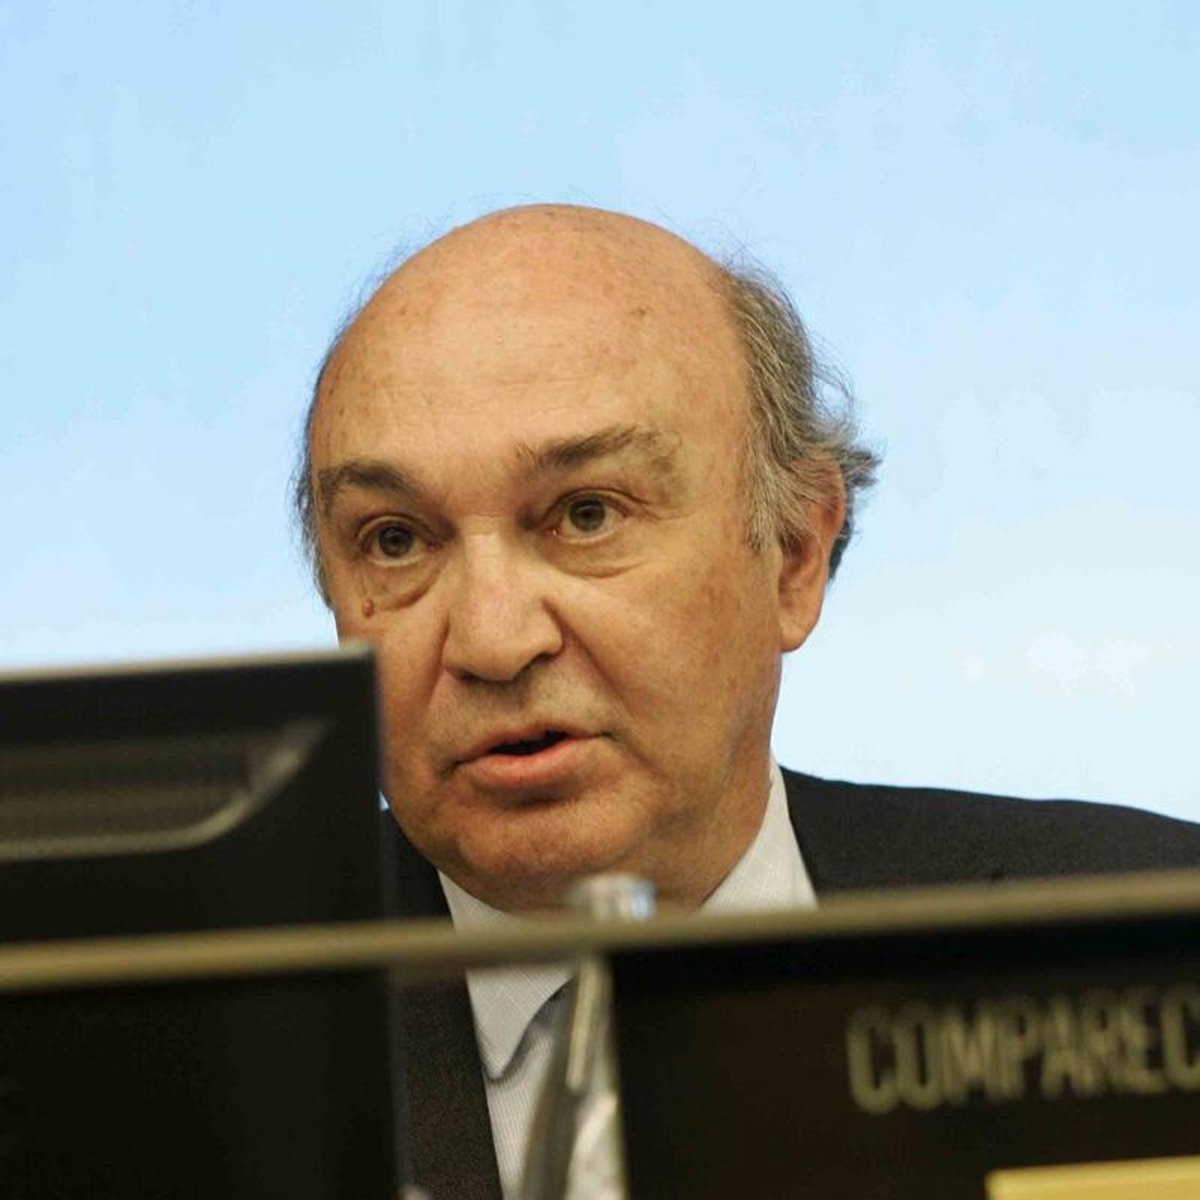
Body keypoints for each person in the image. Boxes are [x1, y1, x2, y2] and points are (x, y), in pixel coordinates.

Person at [292, 204, 1200, 1199]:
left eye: (586, 515)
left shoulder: (1154, 943)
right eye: (394, 539)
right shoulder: (198, 1038)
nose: (493, 641)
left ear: (795, 554)